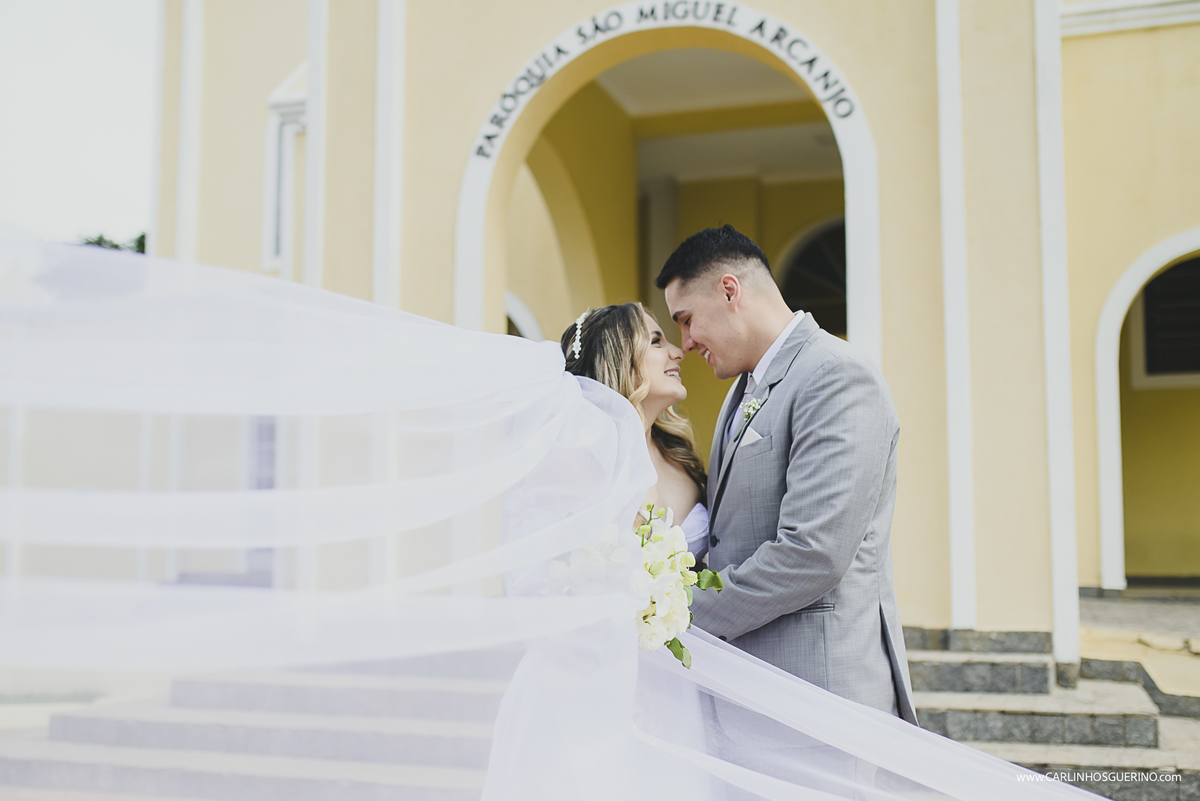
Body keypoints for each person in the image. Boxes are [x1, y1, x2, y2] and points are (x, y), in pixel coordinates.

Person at [656, 224, 918, 724]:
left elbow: (813, 552)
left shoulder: (836, 375)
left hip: (821, 700)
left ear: (729, 290)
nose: (685, 343)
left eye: (687, 320)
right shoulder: (740, 392)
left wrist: (674, 610)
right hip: (751, 696)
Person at [559, 301, 711, 559]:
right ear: (618, 360)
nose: (678, 352)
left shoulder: (680, 455)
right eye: (656, 342)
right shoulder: (582, 472)